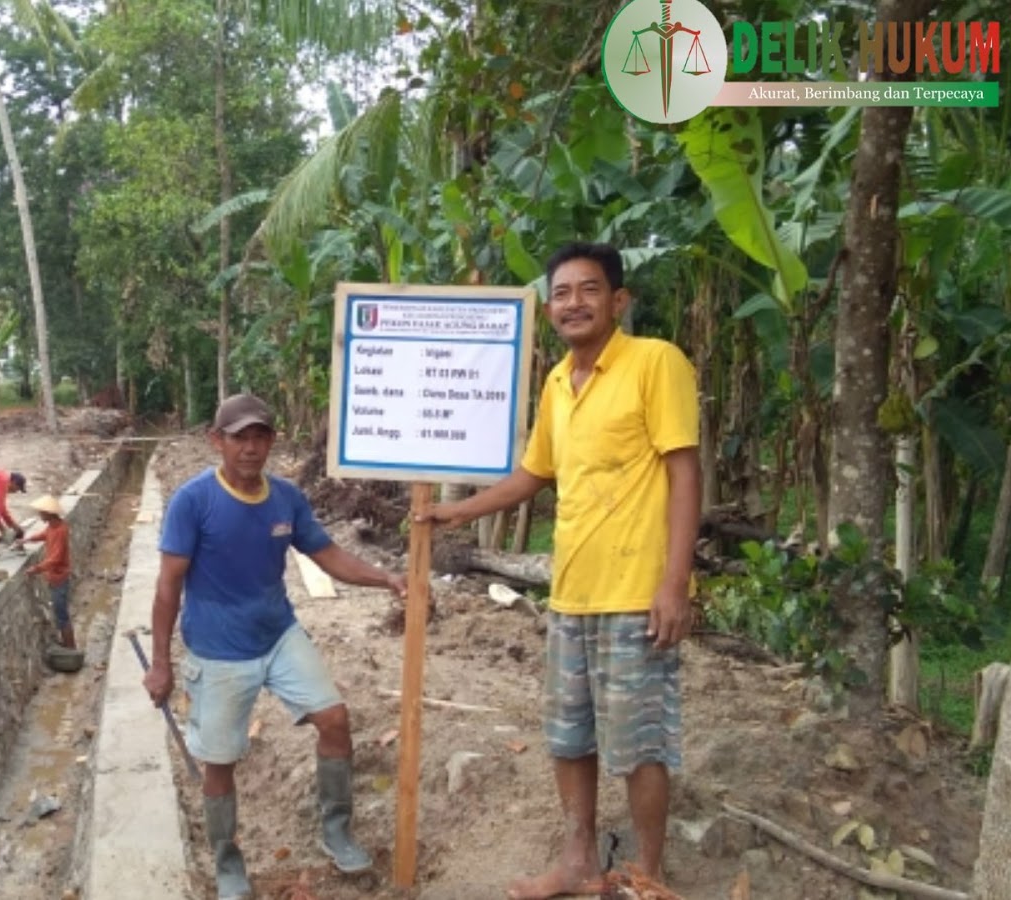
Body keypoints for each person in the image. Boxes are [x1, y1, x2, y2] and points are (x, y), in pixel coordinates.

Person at [418, 241, 700, 898]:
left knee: (639, 742)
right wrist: (456, 513)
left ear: (618, 300)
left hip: (636, 593)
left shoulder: (655, 362)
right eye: (563, 293)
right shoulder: (556, 384)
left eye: (589, 289)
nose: (574, 303)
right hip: (571, 592)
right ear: (549, 309)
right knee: (569, 735)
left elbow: (684, 473)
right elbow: (533, 474)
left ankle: (648, 874)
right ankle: (579, 861)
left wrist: (673, 583)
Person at [144, 393, 408, 900]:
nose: (250, 447)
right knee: (220, 760)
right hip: (218, 650)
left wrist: (386, 578)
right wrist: (161, 664)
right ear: (216, 441)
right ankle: (227, 862)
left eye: (260, 436)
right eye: (239, 437)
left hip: (279, 635)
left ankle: (336, 829)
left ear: (271, 441)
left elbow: (327, 555)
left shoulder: (285, 498)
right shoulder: (193, 502)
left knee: (335, 719)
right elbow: (167, 585)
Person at [17, 494, 75, 650]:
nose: (39, 515)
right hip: (55, 577)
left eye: (41, 512)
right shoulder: (53, 526)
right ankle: (68, 645)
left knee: (62, 615)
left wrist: (36, 569)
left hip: (59, 577)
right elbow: (44, 535)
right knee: (60, 613)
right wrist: (27, 539)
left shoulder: (60, 530)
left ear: (49, 513)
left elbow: (56, 558)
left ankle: (70, 649)